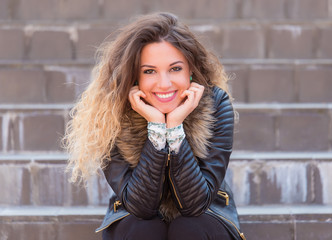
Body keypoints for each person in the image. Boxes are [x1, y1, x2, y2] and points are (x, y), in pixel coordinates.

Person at [63, 12, 246, 240]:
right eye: (149, 71)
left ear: (191, 70)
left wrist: (175, 127)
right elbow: (140, 208)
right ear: (135, 77)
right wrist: (157, 128)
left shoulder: (215, 103)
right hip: (135, 220)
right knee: (144, 228)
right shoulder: (111, 111)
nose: (164, 83)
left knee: (190, 227)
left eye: (175, 69)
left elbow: (196, 205)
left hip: (207, 217)